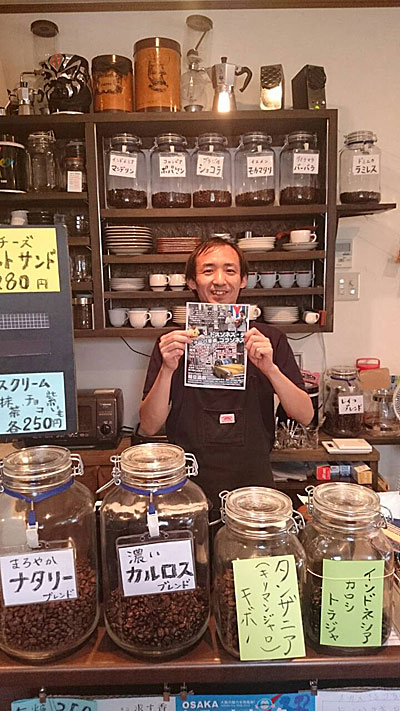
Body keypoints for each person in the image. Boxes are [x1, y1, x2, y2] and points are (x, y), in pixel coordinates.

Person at [140, 238, 313, 510]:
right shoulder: (173, 344)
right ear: (191, 281)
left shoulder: (269, 340)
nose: (219, 280)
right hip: (188, 487)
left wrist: (270, 369)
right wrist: (167, 369)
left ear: (243, 280)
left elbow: (305, 415)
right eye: (208, 270)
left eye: (230, 270)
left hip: (253, 485)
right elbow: (149, 426)